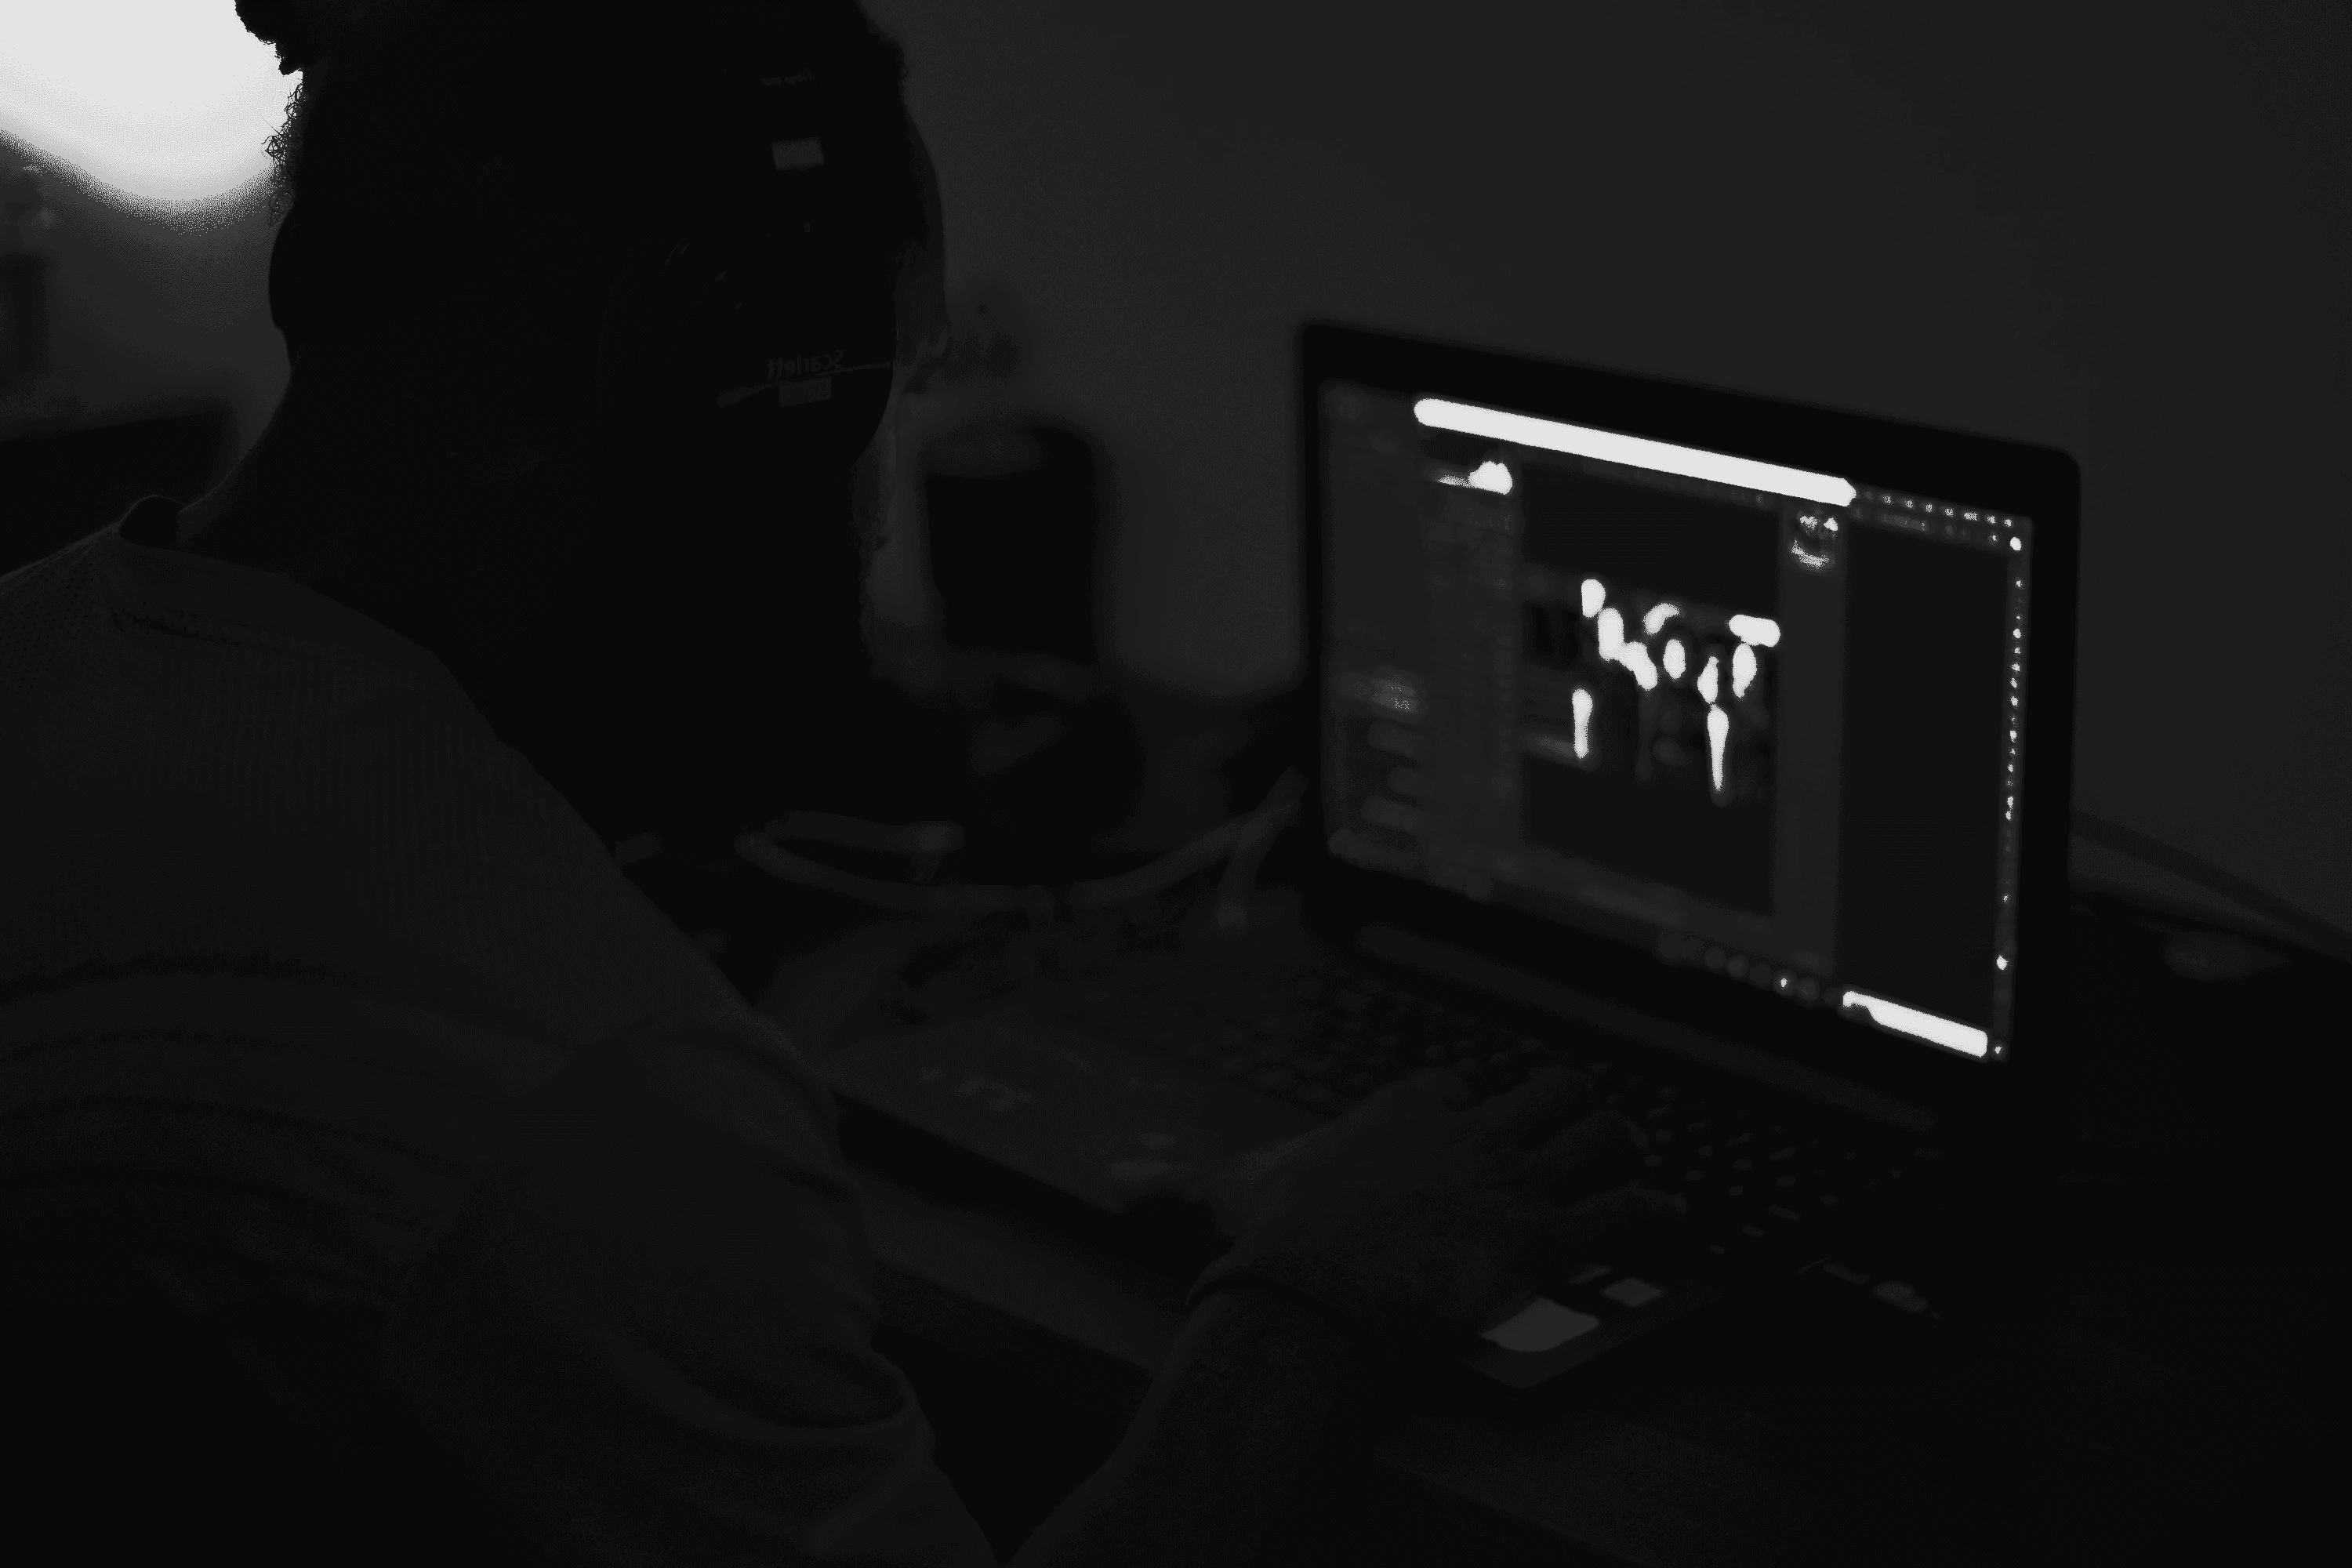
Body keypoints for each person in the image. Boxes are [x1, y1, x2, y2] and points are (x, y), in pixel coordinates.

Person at [0, 3, 1682, 1564]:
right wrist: (1314, 1289)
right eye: (873, 402)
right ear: (689, 393)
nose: (874, 515)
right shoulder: (604, 1084)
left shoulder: (43, 648)